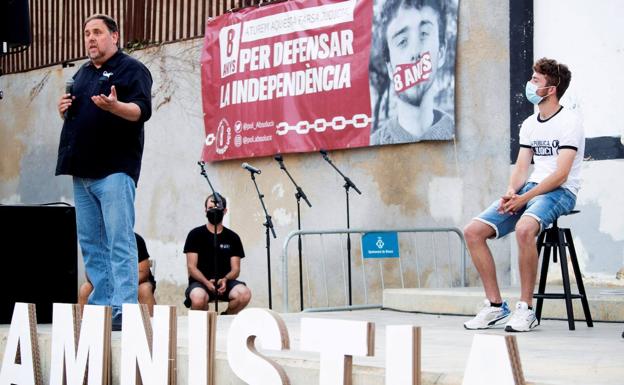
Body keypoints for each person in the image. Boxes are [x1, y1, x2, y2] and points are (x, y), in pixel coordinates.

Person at [463, 58, 583, 332]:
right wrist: (511, 192)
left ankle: (526, 309)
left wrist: (524, 199)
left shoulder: (570, 122)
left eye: (536, 80)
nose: (529, 84)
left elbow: (561, 174)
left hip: (561, 191)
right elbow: (521, 167)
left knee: (525, 229)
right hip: (531, 189)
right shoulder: (530, 123)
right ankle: (495, 307)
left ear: (551, 89)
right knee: (473, 231)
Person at [56, 14, 153, 330]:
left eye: (97, 32)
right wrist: (64, 112)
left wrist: (115, 107)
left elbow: (141, 110)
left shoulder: (132, 70)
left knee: (119, 242)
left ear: (115, 36)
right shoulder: (82, 74)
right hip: (81, 172)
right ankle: (101, 310)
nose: (90, 38)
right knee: (92, 244)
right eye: (86, 33)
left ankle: (123, 310)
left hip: (114, 170)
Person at [370, 0, 453, 145]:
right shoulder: (372, 146)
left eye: (424, 34)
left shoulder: (468, 137)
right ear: (390, 68)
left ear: (441, 52)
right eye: (402, 41)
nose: (415, 53)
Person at [183, 194, 251, 315]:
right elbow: (191, 267)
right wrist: (207, 283)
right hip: (200, 283)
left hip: (225, 283)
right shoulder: (195, 235)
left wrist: (225, 279)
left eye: (217, 208)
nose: (213, 211)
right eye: (210, 208)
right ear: (205, 210)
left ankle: (226, 317)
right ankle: (204, 323)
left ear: (224, 211)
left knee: (244, 294)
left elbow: (236, 269)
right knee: (198, 298)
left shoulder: (233, 237)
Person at [79, 233, 156, 316]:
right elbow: (90, 273)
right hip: (106, 282)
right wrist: (108, 283)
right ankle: (83, 325)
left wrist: (121, 283)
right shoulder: (98, 242)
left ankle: (152, 325)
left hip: (133, 282)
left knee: (144, 289)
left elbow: (143, 273)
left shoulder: (135, 239)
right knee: (85, 288)